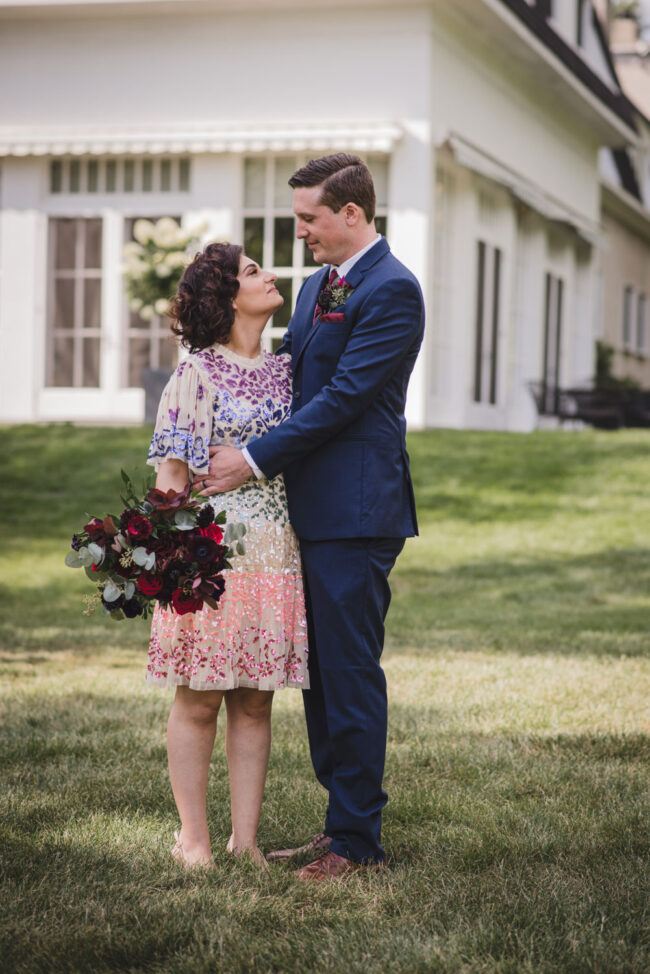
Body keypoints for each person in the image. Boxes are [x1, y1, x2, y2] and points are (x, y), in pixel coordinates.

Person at [202, 153, 425, 881]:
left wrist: (252, 458)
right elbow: (289, 370)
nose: (299, 232)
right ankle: (341, 830)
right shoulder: (315, 288)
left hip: (358, 510)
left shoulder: (392, 290)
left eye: (309, 218)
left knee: (349, 673)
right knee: (322, 678)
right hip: (309, 512)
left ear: (351, 215)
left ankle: (359, 843)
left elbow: (343, 400)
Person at [146, 242, 308, 868]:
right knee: (199, 697)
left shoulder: (288, 370)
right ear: (226, 297)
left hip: (277, 557)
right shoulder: (196, 373)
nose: (268, 276)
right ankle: (194, 839)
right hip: (211, 562)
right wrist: (172, 565)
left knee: (256, 697)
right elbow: (170, 478)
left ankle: (247, 841)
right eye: (251, 271)